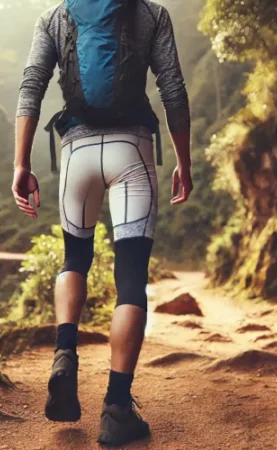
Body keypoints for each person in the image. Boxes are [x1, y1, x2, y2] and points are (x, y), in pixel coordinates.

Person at [12, 0, 192, 446]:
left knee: (75, 258)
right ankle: (116, 407)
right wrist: (184, 162)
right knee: (130, 278)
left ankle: (64, 355)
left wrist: (20, 163)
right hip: (131, 151)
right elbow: (173, 88)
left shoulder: (55, 17)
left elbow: (31, 85)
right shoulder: (152, 15)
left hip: (76, 154)